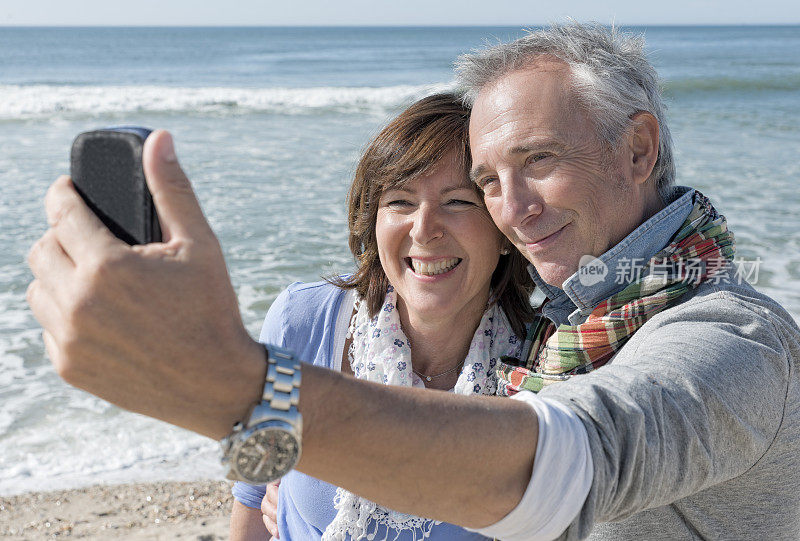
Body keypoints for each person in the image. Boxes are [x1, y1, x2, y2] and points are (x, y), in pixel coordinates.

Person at [27, 23, 800, 540]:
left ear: (638, 149)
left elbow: (567, 462)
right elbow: (251, 500)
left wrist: (234, 385)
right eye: (492, 180)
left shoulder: (730, 340)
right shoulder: (564, 328)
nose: (516, 208)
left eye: (537, 161)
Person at [229, 93, 535, 540]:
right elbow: (253, 490)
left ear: (503, 231)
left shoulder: (545, 358)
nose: (424, 228)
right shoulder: (302, 321)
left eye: (458, 202)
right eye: (401, 201)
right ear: (373, 218)